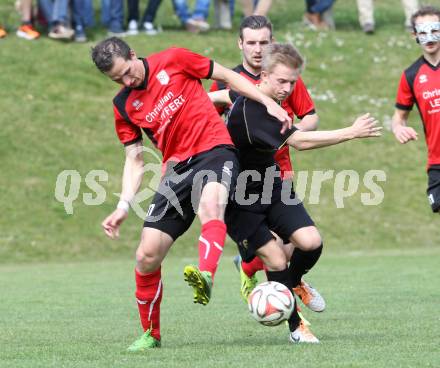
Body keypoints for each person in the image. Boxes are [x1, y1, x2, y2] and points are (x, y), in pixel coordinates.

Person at [91, 37, 291, 351]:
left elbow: (227, 76)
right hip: (176, 171)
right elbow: (134, 158)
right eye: (117, 79)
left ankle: (206, 275)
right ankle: (151, 334)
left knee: (210, 204)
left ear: (132, 54)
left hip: (213, 150)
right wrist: (123, 206)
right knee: (146, 255)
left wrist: (266, 102)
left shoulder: (174, 59)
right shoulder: (123, 105)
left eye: (127, 72)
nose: (126, 81)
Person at [209, 42, 381, 343]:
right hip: (238, 198)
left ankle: (294, 283)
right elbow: (300, 142)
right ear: (263, 75)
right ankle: (296, 327)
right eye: (282, 81)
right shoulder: (253, 111)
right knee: (275, 260)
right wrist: (350, 132)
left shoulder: (256, 95)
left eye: (292, 82)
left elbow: (223, 94)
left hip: (271, 185)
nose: (288, 88)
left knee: (311, 242)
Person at [210, 15, 323, 312]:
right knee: (276, 252)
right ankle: (287, 304)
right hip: (243, 175)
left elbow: (310, 115)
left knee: (296, 243)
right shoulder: (228, 80)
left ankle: (257, 270)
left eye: (264, 42)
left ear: (272, 44)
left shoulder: (285, 77)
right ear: (240, 44)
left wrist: (291, 134)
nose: (258, 49)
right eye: (251, 42)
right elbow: (208, 112)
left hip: (280, 168)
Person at [392, 6, 440, 214]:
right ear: (415, 35)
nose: (429, 37)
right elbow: (399, 117)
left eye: (434, 29)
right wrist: (398, 128)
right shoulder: (411, 75)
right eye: (422, 31)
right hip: (437, 161)